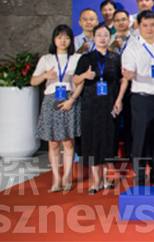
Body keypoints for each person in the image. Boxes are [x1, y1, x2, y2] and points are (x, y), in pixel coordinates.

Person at [73, 23, 128, 193]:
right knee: (92, 141)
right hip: (90, 105)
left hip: (110, 104)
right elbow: (75, 79)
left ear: (110, 38)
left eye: (106, 35)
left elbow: (123, 80)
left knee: (108, 140)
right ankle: (95, 180)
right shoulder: (86, 58)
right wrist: (84, 75)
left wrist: (119, 99)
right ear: (94, 38)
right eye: (99, 35)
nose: (103, 38)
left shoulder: (116, 58)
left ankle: (106, 177)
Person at [121, 10, 154, 185]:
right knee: (140, 139)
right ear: (138, 26)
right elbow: (128, 70)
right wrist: (128, 74)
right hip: (142, 99)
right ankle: (141, 176)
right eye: (145, 25)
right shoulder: (132, 47)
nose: (149, 28)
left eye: (152, 24)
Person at [32, 25, 83, 193]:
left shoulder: (77, 58)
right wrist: (45, 75)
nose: (63, 41)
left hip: (69, 99)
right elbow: (33, 81)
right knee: (53, 143)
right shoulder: (46, 59)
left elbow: (81, 82)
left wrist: (72, 99)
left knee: (68, 141)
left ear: (71, 40)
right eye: (59, 37)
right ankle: (56, 177)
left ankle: (67, 177)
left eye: (66, 38)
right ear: (54, 39)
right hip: (51, 100)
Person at [108, 9, 134, 159]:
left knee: (131, 120)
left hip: (131, 85)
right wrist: (111, 48)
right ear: (113, 23)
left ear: (129, 22)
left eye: (123, 19)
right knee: (112, 120)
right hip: (112, 84)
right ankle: (111, 153)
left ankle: (130, 152)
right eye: (117, 20)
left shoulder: (136, 40)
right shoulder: (107, 39)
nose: (120, 23)